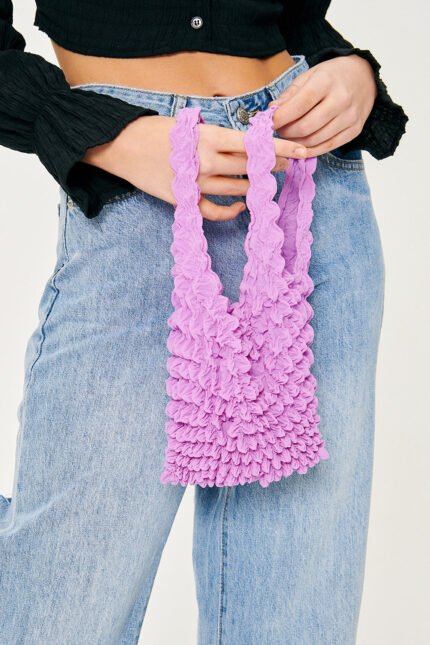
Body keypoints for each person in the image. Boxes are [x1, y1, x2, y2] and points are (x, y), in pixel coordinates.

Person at [0, 1, 408, 643]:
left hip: (309, 185)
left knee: (298, 624)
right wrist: (108, 135)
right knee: (60, 607)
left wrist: (352, 73)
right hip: (134, 190)